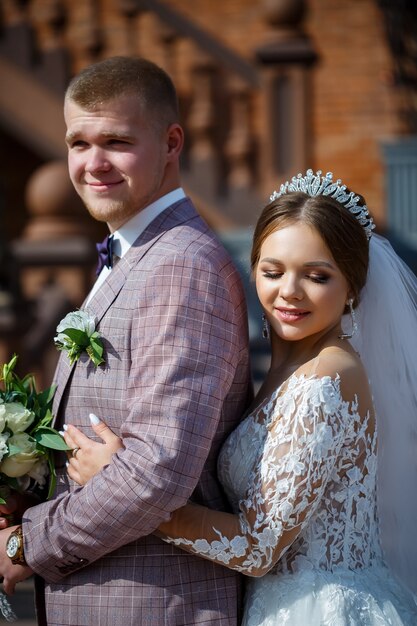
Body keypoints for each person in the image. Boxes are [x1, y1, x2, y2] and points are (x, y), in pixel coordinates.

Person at [63, 169, 417, 625]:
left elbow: (259, 547)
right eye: (272, 271)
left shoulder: (325, 380)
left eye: (317, 275)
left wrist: (125, 486)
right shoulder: (287, 366)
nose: (288, 291)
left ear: (351, 287)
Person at [0, 56, 252, 625]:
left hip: (151, 603)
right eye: (78, 143)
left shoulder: (182, 265)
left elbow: (154, 473)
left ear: (171, 142)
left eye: (116, 141)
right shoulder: (132, 254)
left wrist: (26, 545)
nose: (93, 164)